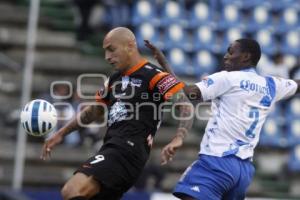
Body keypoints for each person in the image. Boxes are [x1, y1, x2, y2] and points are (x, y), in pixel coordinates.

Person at [40, 27, 193, 200]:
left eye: (111, 50)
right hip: (111, 147)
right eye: (105, 51)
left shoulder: (154, 75)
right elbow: (94, 111)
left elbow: (186, 105)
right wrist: (61, 133)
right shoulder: (114, 79)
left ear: (130, 46)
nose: (107, 57)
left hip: (128, 151)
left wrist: (179, 137)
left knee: (72, 190)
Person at [145, 39, 300, 200]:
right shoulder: (271, 84)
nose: (226, 56)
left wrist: (164, 63)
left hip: (217, 160)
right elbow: (297, 85)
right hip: (243, 171)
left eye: (231, 52)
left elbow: (187, 93)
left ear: (246, 57)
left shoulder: (227, 78)